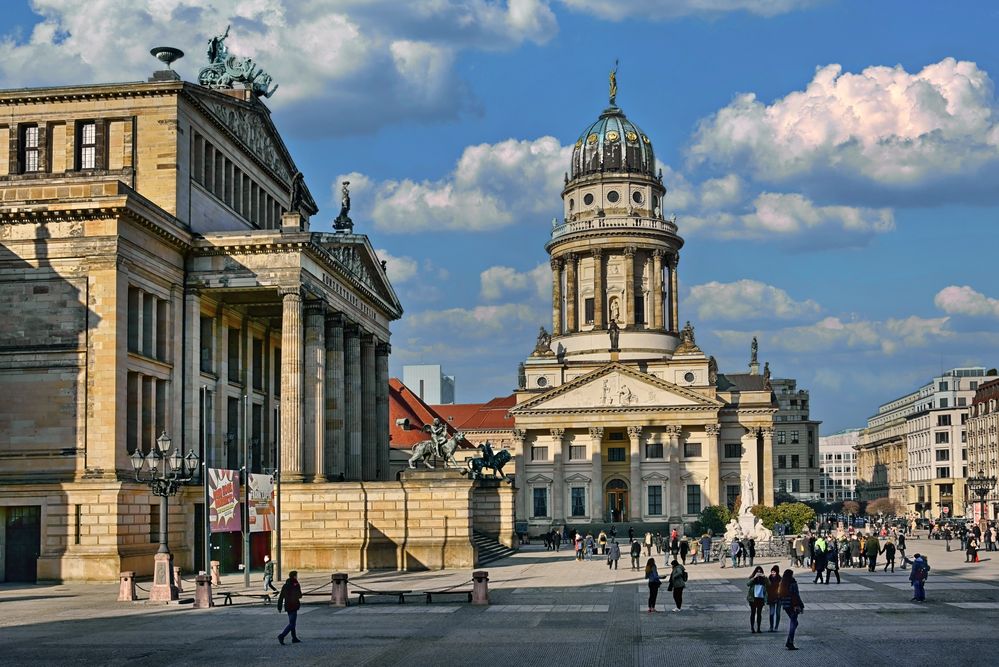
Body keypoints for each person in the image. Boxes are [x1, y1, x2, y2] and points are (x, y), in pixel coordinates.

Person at [778, 568, 804, 650]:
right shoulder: (793, 582)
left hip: (786, 605)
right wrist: (801, 604)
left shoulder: (782, 582)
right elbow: (796, 594)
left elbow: (780, 594)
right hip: (793, 605)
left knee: (794, 623)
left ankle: (789, 641)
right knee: (793, 623)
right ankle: (790, 642)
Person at [277, 570, 303, 645]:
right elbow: (299, 595)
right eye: (296, 575)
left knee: (292, 622)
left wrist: (279, 607)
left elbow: (281, 597)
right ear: (294, 576)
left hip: (288, 605)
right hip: (294, 605)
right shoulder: (296, 584)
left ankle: (294, 637)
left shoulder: (285, 585)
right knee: (292, 623)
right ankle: (282, 636)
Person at [747, 566, 767, 633]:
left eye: (760, 572)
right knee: (753, 613)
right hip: (753, 598)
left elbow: (769, 584)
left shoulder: (763, 579)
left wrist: (765, 577)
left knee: (759, 613)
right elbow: (748, 584)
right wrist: (754, 577)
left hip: (760, 598)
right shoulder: (753, 578)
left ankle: (758, 628)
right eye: (757, 572)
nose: (759, 573)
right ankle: (752, 627)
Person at [766, 565, 782, 632]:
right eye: (772, 572)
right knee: (771, 613)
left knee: (778, 613)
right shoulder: (769, 578)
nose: (773, 573)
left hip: (779, 598)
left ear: (777, 572)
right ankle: (771, 626)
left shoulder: (780, 579)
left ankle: (776, 627)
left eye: (774, 572)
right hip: (771, 598)